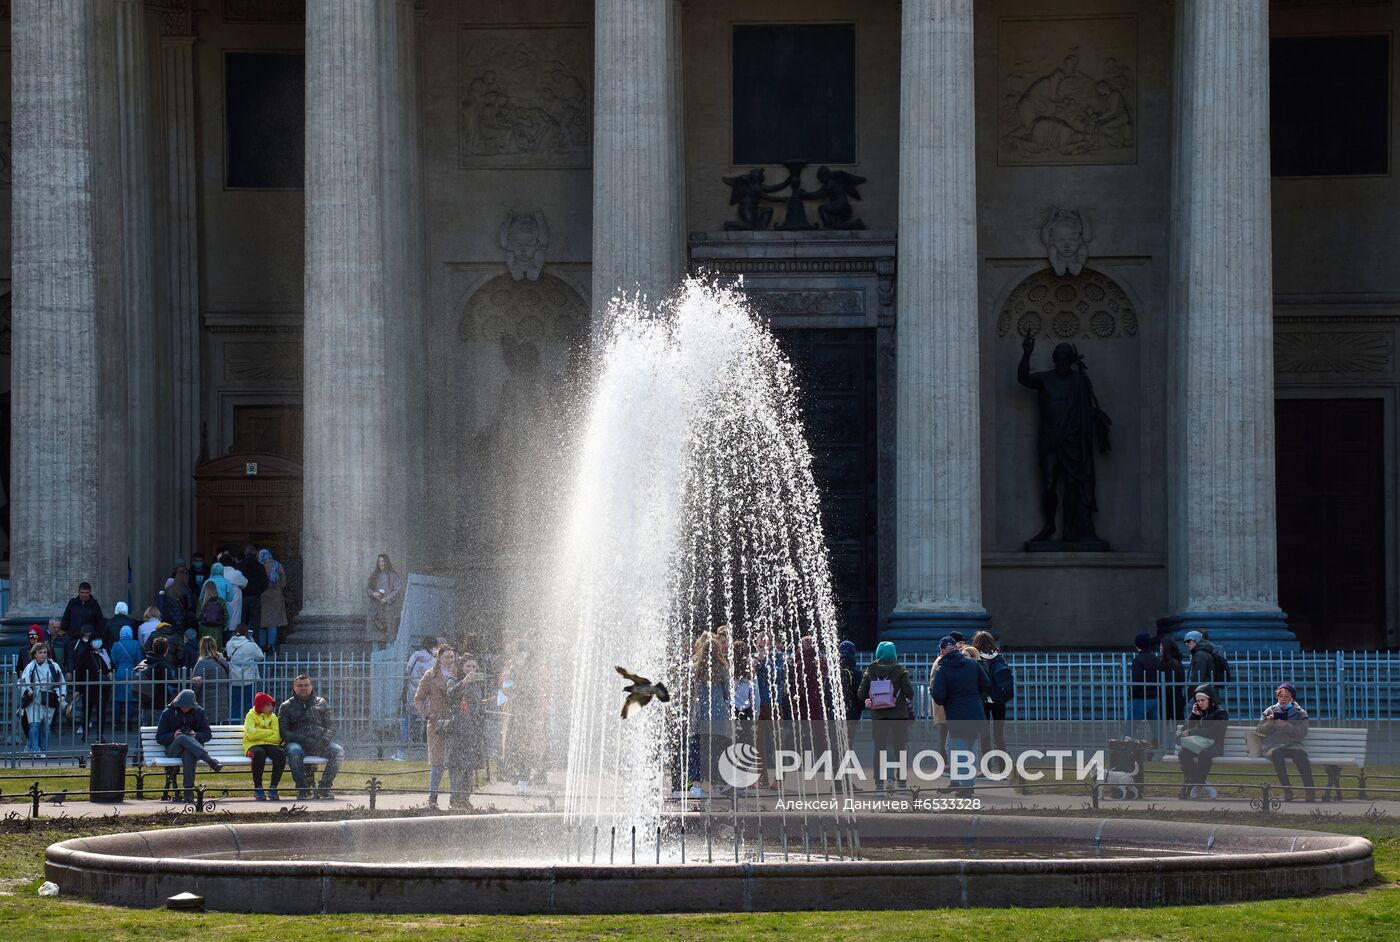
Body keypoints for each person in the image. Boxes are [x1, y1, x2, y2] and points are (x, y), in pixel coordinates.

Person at [931, 635, 989, 796]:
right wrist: (975, 698)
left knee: (960, 749)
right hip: (975, 712)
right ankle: (961, 782)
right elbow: (985, 684)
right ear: (955, 648)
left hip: (957, 714)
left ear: (942, 650)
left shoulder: (942, 670)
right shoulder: (972, 664)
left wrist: (950, 699)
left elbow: (938, 696)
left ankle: (966, 786)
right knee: (966, 747)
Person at [857, 640, 915, 794]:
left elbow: (861, 694)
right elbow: (910, 693)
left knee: (879, 750)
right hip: (899, 716)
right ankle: (902, 783)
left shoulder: (870, 670)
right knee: (900, 749)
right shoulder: (900, 670)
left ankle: (879, 785)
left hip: (879, 716)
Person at [680, 631, 732, 799]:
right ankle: (715, 786)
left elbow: (689, 689)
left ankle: (696, 784)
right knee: (715, 751)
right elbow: (727, 693)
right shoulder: (723, 668)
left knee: (698, 750)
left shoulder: (695, 667)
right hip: (717, 716)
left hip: (700, 714)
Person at [278, 675, 344, 800]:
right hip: (297, 743)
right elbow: (284, 731)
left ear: (311, 686)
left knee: (338, 752)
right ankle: (303, 790)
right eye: (300, 685)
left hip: (320, 742)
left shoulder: (322, 702)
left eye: (306, 685)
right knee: (294, 752)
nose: (303, 688)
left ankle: (324, 788)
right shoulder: (286, 706)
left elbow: (331, 725)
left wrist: (324, 740)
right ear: (294, 687)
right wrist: (302, 739)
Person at [155, 688, 223, 803]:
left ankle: (189, 792)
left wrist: (196, 735)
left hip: (193, 750)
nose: (185, 709)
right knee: (182, 737)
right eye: (182, 706)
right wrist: (173, 736)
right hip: (173, 749)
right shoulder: (168, 713)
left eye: (188, 707)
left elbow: (207, 734)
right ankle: (210, 761)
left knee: (188, 753)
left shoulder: (199, 712)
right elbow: (159, 737)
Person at [414, 645, 459, 808]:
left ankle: (457, 798)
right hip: (437, 724)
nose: (449, 660)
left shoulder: (458, 674)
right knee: (437, 763)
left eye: (452, 657)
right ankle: (432, 799)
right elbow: (418, 698)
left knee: (455, 761)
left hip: (455, 722)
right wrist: (427, 714)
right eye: (446, 657)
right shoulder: (430, 675)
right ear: (439, 658)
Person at [1256, 681, 1315, 802]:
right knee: (1276, 754)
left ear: (1292, 698)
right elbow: (1259, 730)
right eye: (1280, 696)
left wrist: (1285, 726)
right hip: (1273, 745)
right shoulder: (1270, 711)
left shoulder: (1300, 713)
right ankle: (1287, 789)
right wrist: (1270, 724)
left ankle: (1310, 791)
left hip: (1293, 745)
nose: (1283, 699)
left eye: (1287, 696)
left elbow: (1302, 733)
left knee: (1301, 755)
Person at [1175, 684, 1228, 799]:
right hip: (1197, 745)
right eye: (1198, 701)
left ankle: (1190, 787)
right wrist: (1194, 716)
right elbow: (1184, 731)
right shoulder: (1199, 713)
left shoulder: (1220, 713)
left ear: (1210, 699)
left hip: (1214, 746)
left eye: (1203, 700)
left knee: (1204, 755)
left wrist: (1194, 731)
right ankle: (1201, 784)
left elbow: (1216, 731)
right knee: (1183, 753)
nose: (1200, 703)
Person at [969, 630, 1013, 755]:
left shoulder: (976, 659)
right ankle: (1002, 767)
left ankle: (986, 767)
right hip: (999, 699)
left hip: (983, 700)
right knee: (999, 736)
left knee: (984, 737)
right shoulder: (999, 657)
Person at [19, 643, 66, 757]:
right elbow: (22, 682)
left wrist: (62, 695)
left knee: (46, 727)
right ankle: (35, 750)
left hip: (49, 698)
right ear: (34, 654)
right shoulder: (30, 666)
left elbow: (61, 682)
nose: (43, 655)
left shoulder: (53, 665)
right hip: (33, 698)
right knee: (34, 725)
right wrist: (27, 690)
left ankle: (43, 750)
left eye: (45, 652)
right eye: (40, 652)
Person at [397, 636, 439, 761]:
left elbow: (408, 670)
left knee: (409, 718)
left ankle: (403, 745)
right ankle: (429, 745)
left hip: (413, 691)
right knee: (429, 718)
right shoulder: (434, 660)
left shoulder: (416, 656)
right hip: (427, 693)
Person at [243, 691, 286, 801]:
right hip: (252, 745)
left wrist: (260, 734)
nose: (271, 707)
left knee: (280, 753)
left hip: (270, 745)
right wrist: (269, 732)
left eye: (272, 704)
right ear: (260, 706)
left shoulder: (274, 718)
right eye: (268, 705)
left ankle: (273, 787)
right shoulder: (251, 715)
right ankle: (258, 788)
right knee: (259, 754)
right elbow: (251, 734)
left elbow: (277, 738)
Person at [72, 624, 113, 740]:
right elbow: (78, 671)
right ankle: (85, 733)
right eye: (95, 640)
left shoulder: (104, 653)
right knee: (87, 712)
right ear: (90, 642)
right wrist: (77, 689)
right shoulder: (85, 654)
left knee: (101, 712)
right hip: (88, 688)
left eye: (99, 640)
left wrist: (110, 671)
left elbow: (109, 665)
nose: (98, 642)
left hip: (102, 688)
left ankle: (100, 735)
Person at [1128, 631, 1161, 744]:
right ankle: (1168, 749)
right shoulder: (1156, 659)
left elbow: (1137, 680)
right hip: (1154, 697)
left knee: (1129, 729)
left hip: (1141, 698)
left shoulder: (1138, 660)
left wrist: (1132, 694)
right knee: (1157, 730)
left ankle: (1122, 752)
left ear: (1137, 645)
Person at [227, 625, 264, 723]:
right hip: (248, 679)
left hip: (234, 678)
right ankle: (250, 726)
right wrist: (253, 641)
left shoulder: (229, 644)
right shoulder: (250, 645)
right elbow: (260, 656)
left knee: (235, 706)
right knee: (249, 706)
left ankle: (234, 727)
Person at [191, 635, 231, 728]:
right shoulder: (223, 661)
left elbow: (196, 685)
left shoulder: (202, 663)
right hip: (222, 702)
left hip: (206, 703)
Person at [111, 624, 144, 728]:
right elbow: (139, 660)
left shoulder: (116, 645)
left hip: (120, 673)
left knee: (118, 699)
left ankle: (117, 722)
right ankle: (129, 723)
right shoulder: (136, 644)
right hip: (132, 673)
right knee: (131, 699)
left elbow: (113, 660)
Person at [366, 553, 405, 642]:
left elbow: (397, 590)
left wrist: (386, 599)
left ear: (387, 562)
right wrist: (373, 594)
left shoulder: (393, 575)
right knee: (374, 635)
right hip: (375, 608)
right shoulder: (374, 575)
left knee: (388, 633)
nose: (381, 563)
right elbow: (368, 588)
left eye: (383, 561)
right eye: (379, 561)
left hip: (387, 609)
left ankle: (388, 654)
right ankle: (375, 654)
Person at [60, 582, 105, 653]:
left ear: (90, 592)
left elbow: (100, 623)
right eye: (82, 592)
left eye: (87, 592)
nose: (84, 595)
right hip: (73, 639)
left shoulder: (95, 606)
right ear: (79, 592)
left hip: (89, 640)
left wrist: (95, 636)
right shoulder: (73, 603)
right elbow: (66, 618)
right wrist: (63, 632)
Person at [258, 548, 288, 653]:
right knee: (273, 623)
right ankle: (271, 645)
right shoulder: (277, 565)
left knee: (262, 624)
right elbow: (283, 583)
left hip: (261, 597)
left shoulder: (259, 565)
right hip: (275, 598)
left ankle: (262, 646)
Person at [237, 545, 269, 640]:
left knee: (242, 621)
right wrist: (258, 591)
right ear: (256, 555)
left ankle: (241, 642)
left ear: (245, 554)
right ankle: (252, 642)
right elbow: (265, 582)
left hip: (243, 597)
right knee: (254, 623)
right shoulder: (260, 566)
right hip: (255, 597)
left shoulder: (239, 566)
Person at [196, 578, 229, 644]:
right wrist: (222, 627)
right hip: (217, 630)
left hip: (204, 630)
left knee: (205, 650)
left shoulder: (202, 602)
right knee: (216, 651)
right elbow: (226, 616)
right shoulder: (221, 601)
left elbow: (197, 616)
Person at [837, 640, 861, 721]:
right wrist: (859, 709)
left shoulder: (833, 671)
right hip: (851, 711)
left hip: (836, 710)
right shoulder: (856, 672)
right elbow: (860, 694)